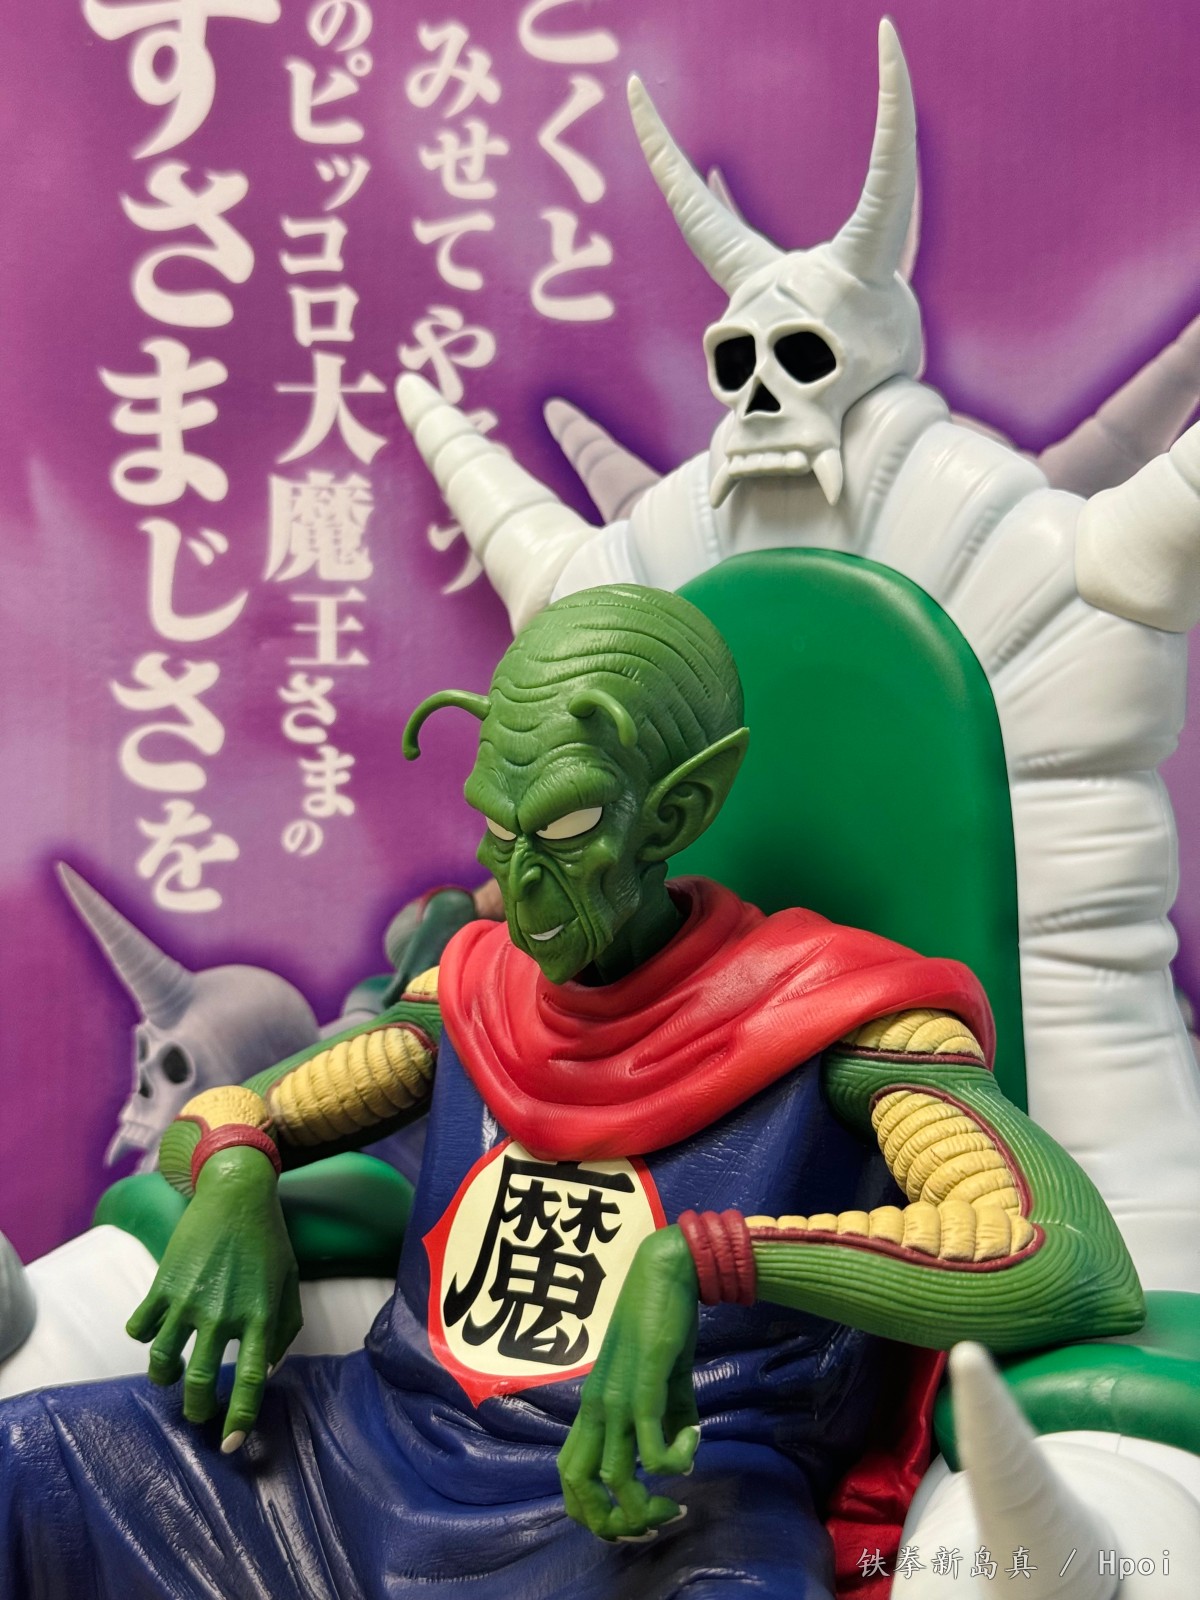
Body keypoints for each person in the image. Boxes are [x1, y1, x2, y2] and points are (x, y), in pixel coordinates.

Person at [0, 584, 1141, 1599]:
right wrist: (236, 1179)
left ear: (679, 813)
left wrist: (709, 1260)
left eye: (567, 826)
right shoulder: (476, 994)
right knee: (25, 1463)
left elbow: (1064, 1260)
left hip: (663, 1503)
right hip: (366, 1453)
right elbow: (229, 1112)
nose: (514, 877)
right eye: (499, 828)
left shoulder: (841, 1015)